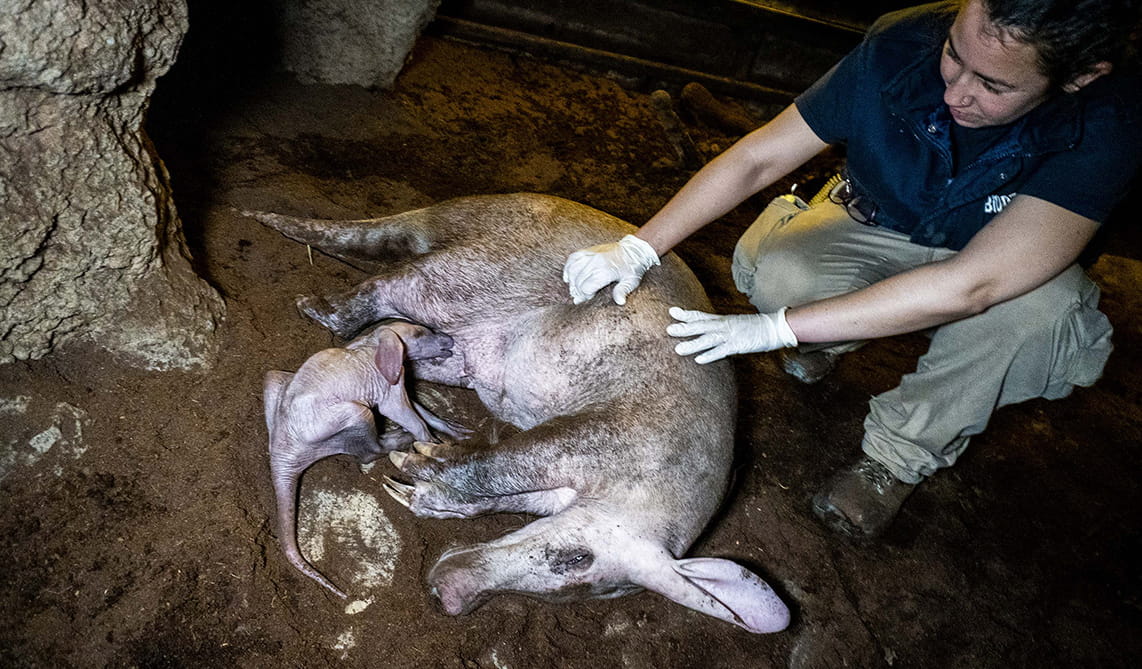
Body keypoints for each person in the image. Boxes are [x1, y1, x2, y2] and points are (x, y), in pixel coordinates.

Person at [561, 0, 1142, 539]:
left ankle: (897, 456)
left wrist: (775, 329)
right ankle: (830, 337)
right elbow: (760, 156)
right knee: (783, 275)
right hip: (878, 217)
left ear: (1079, 77)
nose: (955, 92)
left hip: (998, 259)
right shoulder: (901, 41)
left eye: (992, 85)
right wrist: (640, 246)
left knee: (1038, 322)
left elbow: (976, 284)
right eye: (954, 54)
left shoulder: (1111, 120)